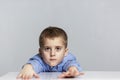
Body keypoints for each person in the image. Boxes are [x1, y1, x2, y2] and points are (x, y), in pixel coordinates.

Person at [17, 26, 83, 79]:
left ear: (65, 52)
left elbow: (71, 63)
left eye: (58, 48)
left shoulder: (67, 59)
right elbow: (34, 63)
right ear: (40, 52)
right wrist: (28, 68)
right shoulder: (41, 60)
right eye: (47, 49)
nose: (52, 54)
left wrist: (72, 69)